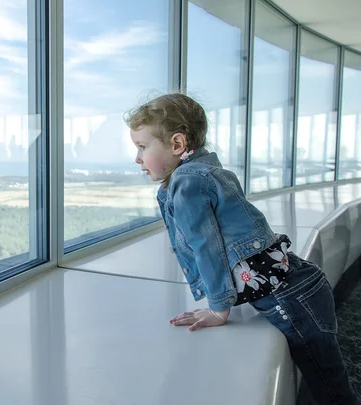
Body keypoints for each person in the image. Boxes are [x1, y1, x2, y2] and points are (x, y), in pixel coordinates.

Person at [125, 93, 360, 405]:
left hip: (292, 299)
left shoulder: (186, 183)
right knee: (331, 379)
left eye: (142, 147)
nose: (137, 158)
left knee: (332, 390)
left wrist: (219, 308)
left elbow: (205, 246)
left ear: (178, 145)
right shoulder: (204, 169)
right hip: (300, 285)